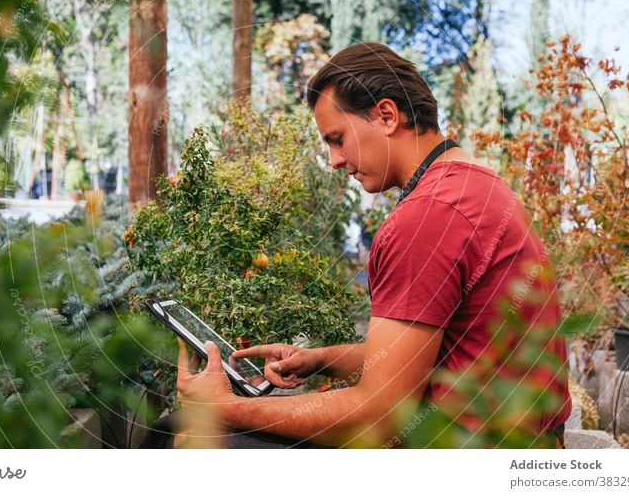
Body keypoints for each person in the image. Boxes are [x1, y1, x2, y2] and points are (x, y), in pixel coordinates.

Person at [167, 42, 571, 449]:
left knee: (189, 438)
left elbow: (378, 415)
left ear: (386, 115)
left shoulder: (427, 216)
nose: (335, 160)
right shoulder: (475, 185)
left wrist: (223, 406)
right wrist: (321, 360)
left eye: (337, 138)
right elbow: (440, 348)